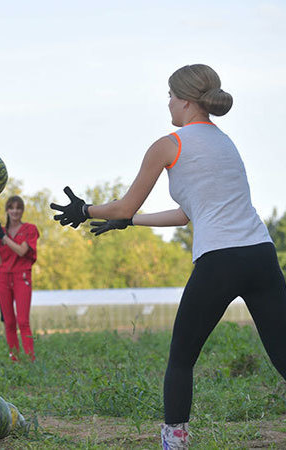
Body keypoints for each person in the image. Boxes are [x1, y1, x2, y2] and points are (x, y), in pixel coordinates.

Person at [50, 64, 286, 449]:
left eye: (172, 96)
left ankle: (174, 442)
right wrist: (133, 223)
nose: (169, 103)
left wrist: (85, 210)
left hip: (219, 262)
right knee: (284, 354)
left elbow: (124, 204)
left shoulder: (169, 144)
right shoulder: (226, 143)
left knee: (181, 359)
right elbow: (188, 213)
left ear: (188, 101)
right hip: (260, 255)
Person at [0, 196, 39, 362]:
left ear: (22, 210)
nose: (15, 211)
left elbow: (22, 251)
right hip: (3, 278)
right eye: (11, 208)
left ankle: (30, 358)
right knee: (9, 322)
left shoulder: (29, 229)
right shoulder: (0, 233)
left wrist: (3, 237)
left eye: (18, 208)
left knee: (23, 320)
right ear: (7, 210)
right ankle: (14, 358)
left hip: (22, 276)